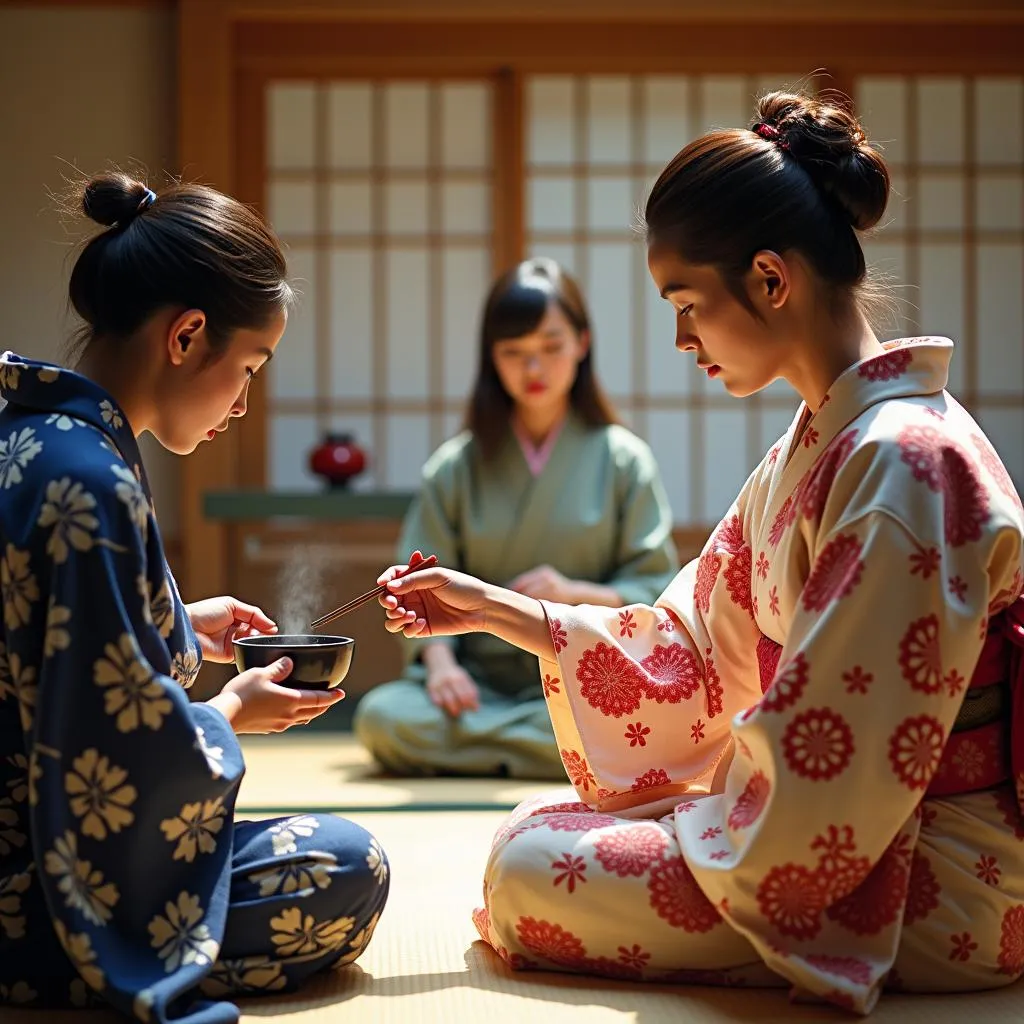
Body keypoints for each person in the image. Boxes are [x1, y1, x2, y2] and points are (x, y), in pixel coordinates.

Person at [376, 91, 1024, 1014]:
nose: (682, 338)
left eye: (688, 304)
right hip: (848, 823)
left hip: (936, 868)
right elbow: (690, 642)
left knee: (528, 872)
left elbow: (836, 766)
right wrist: (494, 609)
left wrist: (704, 816)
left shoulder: (902, 464)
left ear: (770, 279)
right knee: (531, 832)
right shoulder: (819, 446)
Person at [0, 173, 389, 1021]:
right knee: (346, 865)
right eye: (247, 367)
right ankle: (76, 965)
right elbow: (108, 759)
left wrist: (180, 622)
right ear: (186, 337)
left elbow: (62, 658)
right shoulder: (91, 482)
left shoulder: (38, 439)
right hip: (36, 882)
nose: (244, 403)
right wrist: (228, 713)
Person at [354, 258, 678, 779]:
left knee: (641, 717)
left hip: (584, 673)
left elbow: (655, 587)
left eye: (551, 347)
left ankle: (506, 749)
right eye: (514, 353)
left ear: (582, 343)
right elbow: (417, 591)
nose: (534, 369)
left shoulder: (624, 460)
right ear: (491, 357)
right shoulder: (455, 467)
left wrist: (574, 591)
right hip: (475, 685)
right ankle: (567, 754)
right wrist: (442, 668)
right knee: (384, 718)